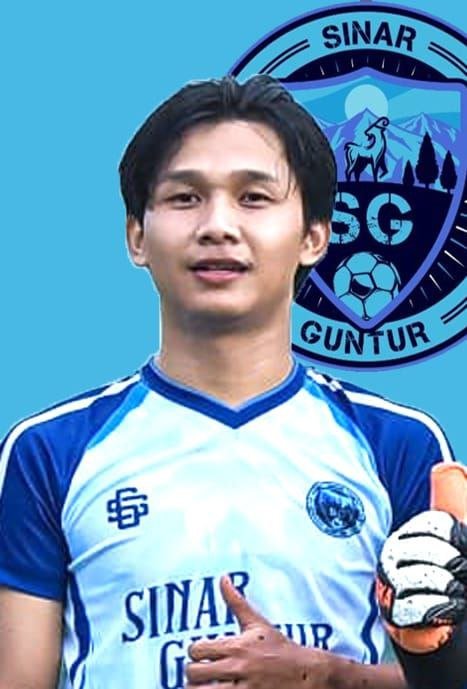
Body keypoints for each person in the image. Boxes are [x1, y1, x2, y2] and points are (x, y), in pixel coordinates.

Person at [0, 75, 465, 689]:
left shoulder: (398, 444)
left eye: (253, 197)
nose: (218, 225)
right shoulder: (48, 451)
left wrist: (319, 675)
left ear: (314, 236)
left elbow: (446, 674)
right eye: (185, 197)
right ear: (137, 236)